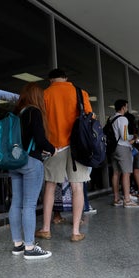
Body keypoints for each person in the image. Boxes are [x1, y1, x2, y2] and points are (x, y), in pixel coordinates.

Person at [36, 69, 92, 242]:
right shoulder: (80, 93)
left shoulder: (45, 94)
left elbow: (41, 121)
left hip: (54, 147)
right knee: (77, 188)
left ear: (50, 80)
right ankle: (75, 232)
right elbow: (90, 116)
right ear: (66, 78)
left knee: (50, 186)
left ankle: (46, 229)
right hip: (77, 146)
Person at [8, 83, 55, 259]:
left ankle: (17, 244)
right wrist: (52, 149)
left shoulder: (15, 114)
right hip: (30, 162)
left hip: (14, 162)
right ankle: (29, 247)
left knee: (16, 203)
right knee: (29, 205)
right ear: (36, 96)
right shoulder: (34, 112)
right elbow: (40, 139)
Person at [108, 100, 139, 208]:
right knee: (126, 173)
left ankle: (116, 199)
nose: (127, 109)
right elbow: (124, 137)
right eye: (126, 107)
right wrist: (134, 137)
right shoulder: (123, 119)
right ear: (123, 107)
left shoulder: (111, 118)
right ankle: (127, 200)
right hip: (122, 148)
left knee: (116, 173)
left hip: (113, 148)